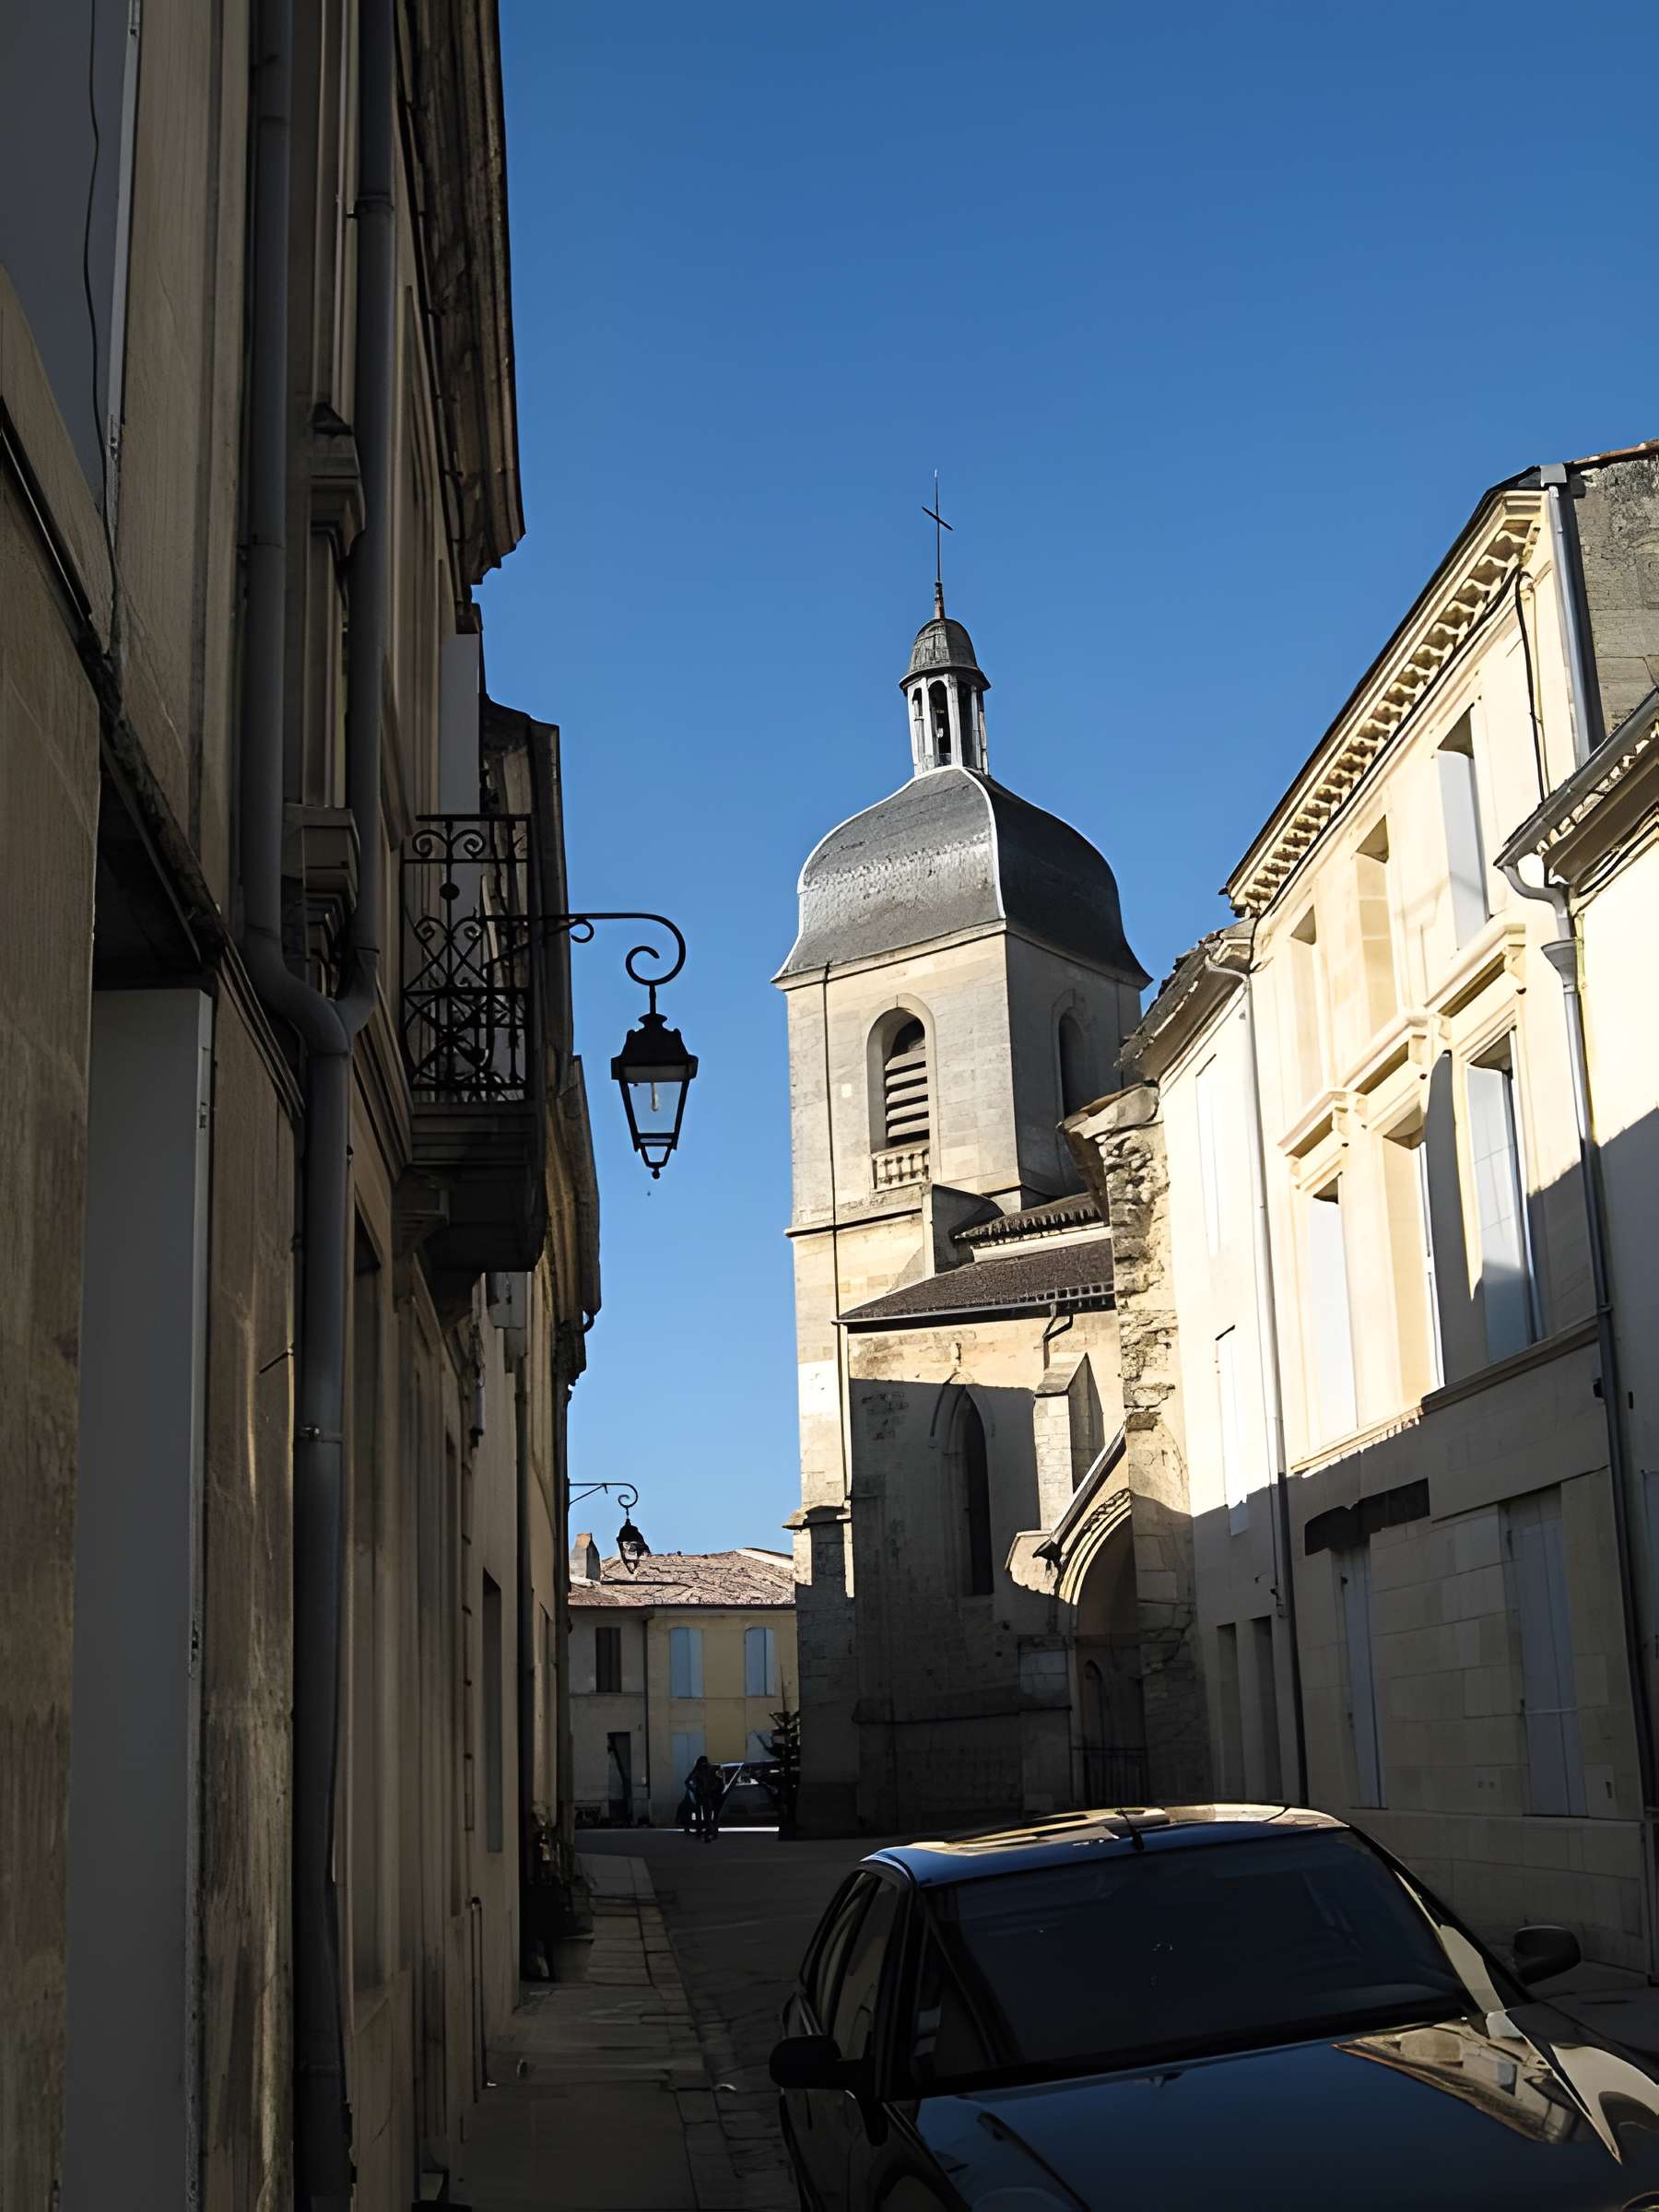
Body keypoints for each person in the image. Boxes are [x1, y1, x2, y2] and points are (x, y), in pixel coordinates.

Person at [687, 1755, 722, 1842]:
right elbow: (687, 1782)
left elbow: (717, 1782)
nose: (703, 1765)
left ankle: (707, 1832)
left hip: (707, 1796)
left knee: (707, 1815)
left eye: (704, 1763)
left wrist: (712, 1789)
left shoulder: (709, 1771)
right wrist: (694, 1789)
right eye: (702, 1763)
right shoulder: (698, 1771)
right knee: (701, 1815)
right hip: (700, 1796)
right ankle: (701, 1832)